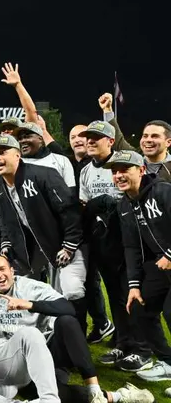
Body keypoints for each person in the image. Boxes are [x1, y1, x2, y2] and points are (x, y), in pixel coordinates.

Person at [0, 255, 157, 403]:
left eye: (2, 269)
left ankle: (94, 389)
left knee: (66, 322)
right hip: (25, 362)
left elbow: (68, 309)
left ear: (12, 271)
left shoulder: (30, 287)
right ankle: (120, 396)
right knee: (40, 393)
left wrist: (29, 305)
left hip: (51, 351)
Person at [0, 135, 89, 330]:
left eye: (3, 152)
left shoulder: (44, 174)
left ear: (18, 154)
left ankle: (77, 334)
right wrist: (5, 242)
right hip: (32, 249)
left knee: (72, 290)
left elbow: (69, 211)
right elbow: (4, 221)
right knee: (26, 291)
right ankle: (45, 333)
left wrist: (69, 244)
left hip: (65, 242)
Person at [77, 119, 148, 372]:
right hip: (104, 240)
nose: (90, 141)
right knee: (116, 297)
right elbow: (85, 205)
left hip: (129, 238)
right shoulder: (86, 170)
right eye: (88, 137)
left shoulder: (124, 162)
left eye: (97, 137)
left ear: (110, 140)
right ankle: (123, 342)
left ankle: (142, 347)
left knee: (133, 293)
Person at [109, 150, 171, 383]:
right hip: (159, 265)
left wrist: (169, 254)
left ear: (142, 170)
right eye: (115, 171)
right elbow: (131, 247)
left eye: (125, 169)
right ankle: (167, 361)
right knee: (139, 306)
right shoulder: (124, 204)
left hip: (167, 259)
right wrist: (134, 285)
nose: (118, 175)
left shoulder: (164, 191)